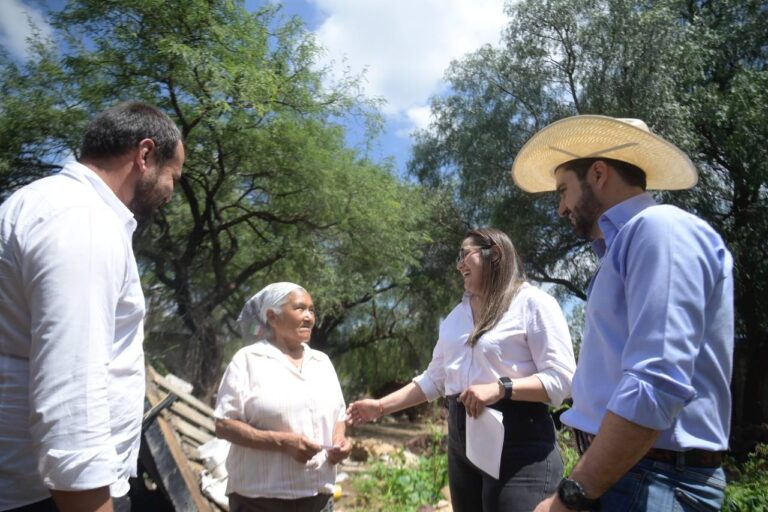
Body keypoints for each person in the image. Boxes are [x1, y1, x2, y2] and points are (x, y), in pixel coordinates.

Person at [511, 115, 734, 512]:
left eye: (563, 190)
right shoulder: (627, 247)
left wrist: (571, 495)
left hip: (655, 481)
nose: (561, 208)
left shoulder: (660, 229)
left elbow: (655, 382)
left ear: (598, 174)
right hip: (633, 474)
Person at [0, 101, 185, 512]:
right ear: (145, 155)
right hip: (53, 496)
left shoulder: (49, 205)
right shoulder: (82, 221)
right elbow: (72, 390)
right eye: (173, 177)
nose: (171, 193)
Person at [347, 228, 576, 512]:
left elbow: (562, 380)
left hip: (520, 446)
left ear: (496, 254)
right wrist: (380, 407)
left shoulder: (533, 304)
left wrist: (500, 388)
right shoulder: (455, 318)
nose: (459, 265)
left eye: (465, 254)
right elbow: (435, 379)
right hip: (463, 446)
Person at [214, 282, 352, 512]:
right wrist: (282, 442)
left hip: (318, 500)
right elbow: (224, 425)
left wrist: (340, 441)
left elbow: (338, 413)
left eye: (312, 310)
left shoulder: (322, 363)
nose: (309, 317)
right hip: (259, 501)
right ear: (272, 316)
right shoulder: (248, 360)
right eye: (300, 309)